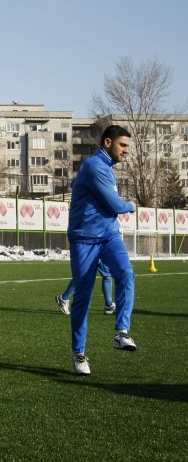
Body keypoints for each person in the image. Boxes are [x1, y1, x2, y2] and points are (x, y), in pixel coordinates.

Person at [67, 125, 137, 376]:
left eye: (127, 146)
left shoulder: (105, 168)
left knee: (126, 273)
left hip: (108, 236)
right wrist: (132, 205)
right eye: (123, 145)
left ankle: (121, 332)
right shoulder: (96, 166)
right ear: (108, 142)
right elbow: (115, 204)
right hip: (84, 239)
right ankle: (79, 354)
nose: (127, 151)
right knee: (83, 299)